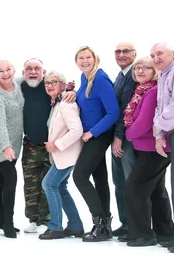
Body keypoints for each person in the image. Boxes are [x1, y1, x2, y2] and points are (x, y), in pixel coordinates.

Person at [123, 56, 173, 247]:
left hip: (155, 149)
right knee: (156, 191)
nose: (140, 71)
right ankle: (166, 233)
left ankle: (143, 235)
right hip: (146, 149)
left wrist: (126, 133)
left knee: (134, 188)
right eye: (137, 68)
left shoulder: (152, 92)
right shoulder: (140, 91)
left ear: (155, 72)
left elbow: (144, 124)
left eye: (146, 68)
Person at [73, 46, 119, 242]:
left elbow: (113, 112)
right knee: (99, 177)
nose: (85, 61)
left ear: (95, 59)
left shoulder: (100, 79)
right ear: (76, 61)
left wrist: (92, 132)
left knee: (80, 175)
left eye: (88, 57)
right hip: (90, 135)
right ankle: (105, 227)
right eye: (81, 58)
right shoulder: (85, 78)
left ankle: (99, 222)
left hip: (99, 135)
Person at [38, 71, 84, 240]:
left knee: (49, 184)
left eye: (54, 82)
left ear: (62, 85)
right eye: (47, 83)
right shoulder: (56, 103)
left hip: (67, 153)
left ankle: (55, 227)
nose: (49, 85)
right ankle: (75, 226)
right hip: (62, 155)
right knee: (60, 187)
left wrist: (56, 145)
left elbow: (76, 130)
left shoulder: (66, 103)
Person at [148, 43, 174, 253]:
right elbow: (160, 107)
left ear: (173, 54)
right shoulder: (164, 75)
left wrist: (159, 126)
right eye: (152, 55)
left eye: (160, 53)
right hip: (172, 133)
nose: (156, 58)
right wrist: (158, 134)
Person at [0, 60, 24, 239]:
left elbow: (31, 76)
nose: (5, 74)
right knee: (10, 182)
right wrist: (5, 146)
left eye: (8, 69)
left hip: (17, 143)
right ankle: (8, 224)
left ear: (14, 70)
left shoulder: (18, 83)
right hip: (3, 145)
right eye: (0, 71)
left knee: (2, 181)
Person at [20, 58, 52, 233]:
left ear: (43, 72)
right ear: (23, 72)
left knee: (48, 184)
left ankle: (46, 220)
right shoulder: (20, 88)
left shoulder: (50, 86)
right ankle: (33, 219)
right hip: (30, 143)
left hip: (51, 145)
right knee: (31, 184)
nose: (33, 72)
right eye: (29, 69)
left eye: (37, 68)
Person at [110, 42, 137, 237]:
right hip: (117, 137)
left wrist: (118, 137)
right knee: (119, 182)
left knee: (130, 182)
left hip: (126, 138)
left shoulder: (134, 75)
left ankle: (136, 226)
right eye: (118, 51)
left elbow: (125, 108)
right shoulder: (120, 76)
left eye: (126, 51)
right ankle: (126, 223)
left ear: (134, 54)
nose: (121, 54)